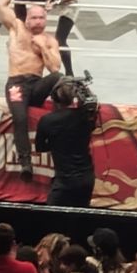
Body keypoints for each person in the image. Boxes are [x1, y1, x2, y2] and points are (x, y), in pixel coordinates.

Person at [0, 0, 62, 182]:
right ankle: (26, 162)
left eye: (42, 17)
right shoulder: (16, 28)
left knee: (59, 79)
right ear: (27, 18)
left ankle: (63, 119)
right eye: (34, 17)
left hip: (36, 85)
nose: (38, 21)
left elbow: (55, 69)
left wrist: (43, 48)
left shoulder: (49, 40)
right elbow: (1, 4)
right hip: (16, 84)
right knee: (20, 119)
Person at [35, 78, 97, 208]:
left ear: (55, 98)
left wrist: (56, 143)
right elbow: (91, 105)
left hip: (65, 180)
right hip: (87, 178)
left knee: (51, 219)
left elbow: (39, 147)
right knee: (80, 217)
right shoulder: (86, 116)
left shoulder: (48, 120)